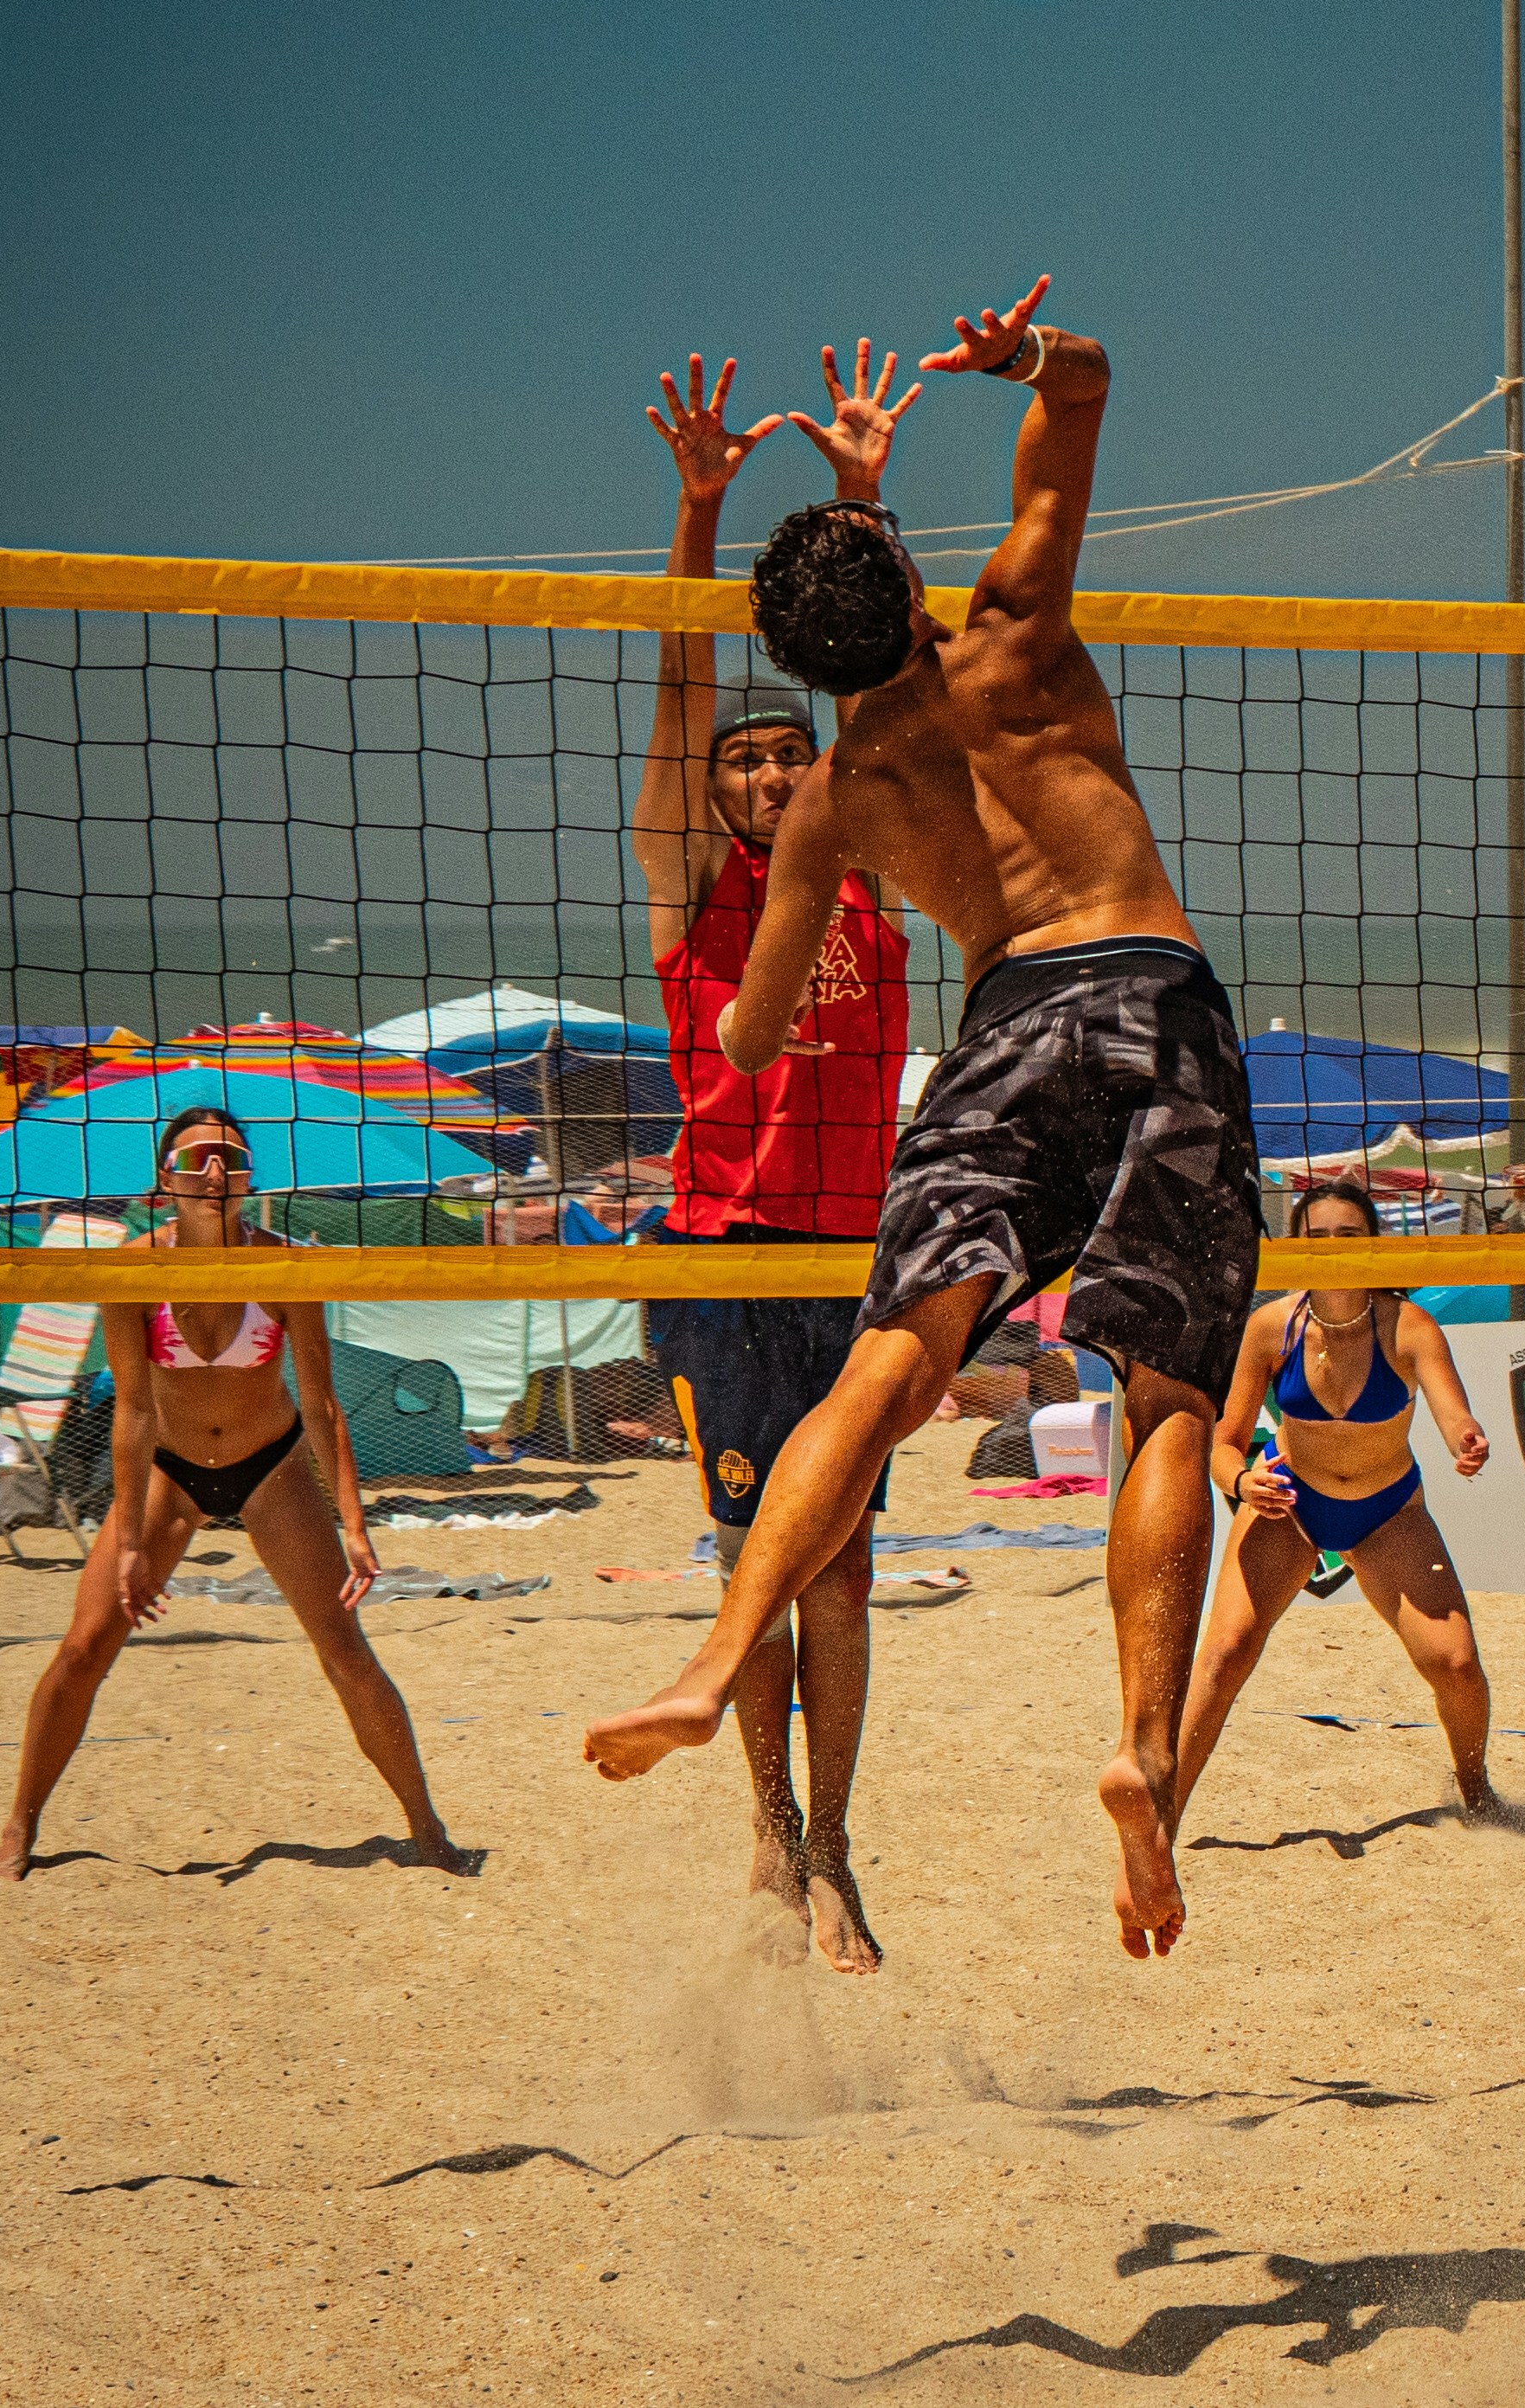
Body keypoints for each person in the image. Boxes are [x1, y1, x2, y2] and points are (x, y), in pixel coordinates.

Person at [585, 275, 1264, 1962]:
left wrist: (733, 1010)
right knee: (1167, 1401)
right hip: (1144, 992)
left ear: (795, 680)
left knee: (883, 1398)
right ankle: (1141, 1747)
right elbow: (1079, 399)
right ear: (906, 583)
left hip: (1002, 1023)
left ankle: (738, 1696)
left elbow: (752, 1024)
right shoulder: (1015, 638)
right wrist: (1022, 360)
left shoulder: (836, 801)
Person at [628, 339, 913, 1972]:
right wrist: (699, 515)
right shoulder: (692, 889)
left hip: (853, 1258)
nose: (761, 770)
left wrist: (861, 503)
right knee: (753, 1571)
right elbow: (678, 706)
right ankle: (768, 1822)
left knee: (845, 1580)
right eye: (743, 759)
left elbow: (880, 695)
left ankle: (839, 1848)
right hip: (728, 1260)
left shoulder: (864, 859)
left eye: (782, 754)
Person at [0, 1110, 468, 1881]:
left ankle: (427, 1829)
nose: (215, 1172)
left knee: (345, 1653)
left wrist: (354, 1522)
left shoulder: (283, 1264)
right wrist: (132, 1542)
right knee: (82, 1649)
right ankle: (20, 1824)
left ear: (247, 1177)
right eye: (198, 1158)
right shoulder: (132, 1269)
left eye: (231, 1158)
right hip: (170, 1470)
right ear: (166, 1179)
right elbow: (133, 1411)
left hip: (271, 1467)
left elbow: (322, 1406)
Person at [1172, 1180, 1496, 1827]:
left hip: (1387, 1512)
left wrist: (1467, 1439)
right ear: (1295, 1246)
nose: (1332, 1248)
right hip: (1288, 1503)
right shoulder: (1272, 1327)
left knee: (1457, 1666)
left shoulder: (1408, 1326)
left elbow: (1453, 1411)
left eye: (1349, 1235)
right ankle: (1161, 1819)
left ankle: (1476, 1790)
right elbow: (1223, 1445)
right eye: (1316, 1237)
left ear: (1374, 1243)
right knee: (1225, 1653)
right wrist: (1240, 1483)